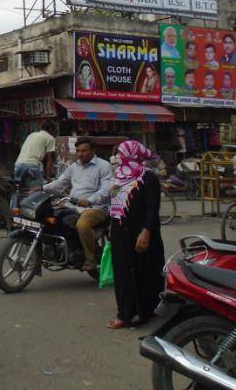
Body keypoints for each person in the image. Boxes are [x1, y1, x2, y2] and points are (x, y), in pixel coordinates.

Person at [107, 140, 165, 330]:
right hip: (120, 231)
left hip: (142, 232)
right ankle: (124, 314)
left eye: (122, 154)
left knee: (145, 271)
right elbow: (114, 203)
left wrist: (146, 231)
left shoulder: (148, 178)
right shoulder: (118, 176)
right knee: (122, 272)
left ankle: (146, 311)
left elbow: (152, 208)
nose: (118, 157)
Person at [38, 137, 111, 271]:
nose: (79, 154)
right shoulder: (73, 167)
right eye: (77, 151)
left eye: (84, 151)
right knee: (49, 217)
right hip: (72, 206)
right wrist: (41, 188)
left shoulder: (104, 166)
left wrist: (90, 200)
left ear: (93, 151)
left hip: (96, 208)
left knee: (82, 224)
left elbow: (106, 189)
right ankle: (60, 248)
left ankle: (91, 258)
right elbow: (59, 184)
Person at [14, 121, 56, 186]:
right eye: (54, 130)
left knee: (22, 189)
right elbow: (49, 159)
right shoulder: (50, 138)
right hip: (31, 166)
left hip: (18, 164)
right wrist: (48, 177)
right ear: (50, 129)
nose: (54, 133)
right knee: (41, 189)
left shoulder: (32, 135)